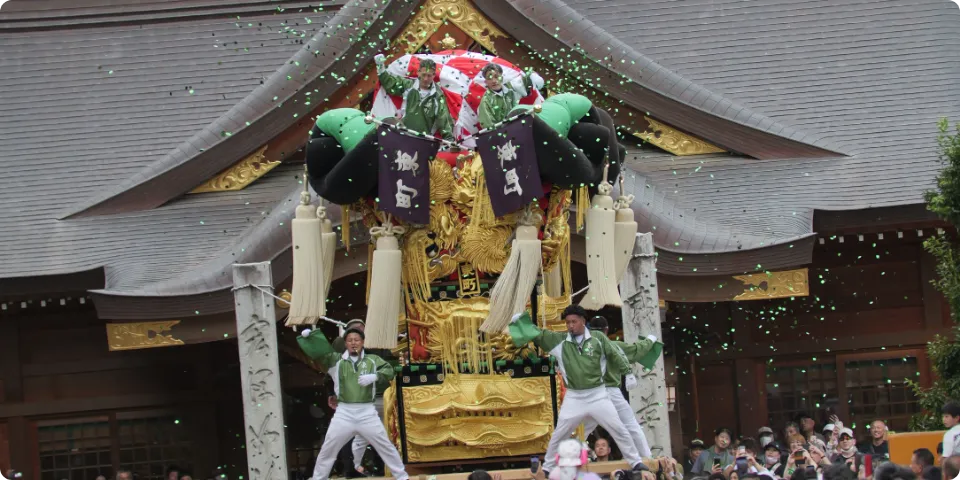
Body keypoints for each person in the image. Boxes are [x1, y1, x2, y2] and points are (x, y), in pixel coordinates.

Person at [507, 307, 649, 475]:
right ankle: (547, 467)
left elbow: (614, 354)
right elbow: (538, 334)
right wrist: (522, 322)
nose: (570, 325)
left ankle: (636, 461)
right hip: (574, 397)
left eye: (574, 322)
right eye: (567, 322)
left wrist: (628, 372)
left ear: (583, 321)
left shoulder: (598, 338)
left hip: (598, 395)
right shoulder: (559, 341)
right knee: (560, 433)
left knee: (618, 428)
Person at [297, 326, 408, 480]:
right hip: (344, 413)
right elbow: (322, 353)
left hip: (367, 412)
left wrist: (375, 376)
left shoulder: (373, 360)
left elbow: (389, 370)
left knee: (385, 445)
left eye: (357, 340)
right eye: (350, 340)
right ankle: (318, 478)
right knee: (329, 447)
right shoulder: (336, 361)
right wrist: (311, 337)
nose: (353, 343)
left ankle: (401, 476)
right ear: (345, 343)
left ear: (362, 342)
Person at [581, 315, 663, 458]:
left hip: (592, 393)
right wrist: (650, 340)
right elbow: (637, 350)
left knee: (584, 428)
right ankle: (647, 458)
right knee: (631, 425)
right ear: (606, 330)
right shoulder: (615, 346)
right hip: (611, 392)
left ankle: (571, 458)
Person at [374, 54, 455, 141]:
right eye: (423, 75)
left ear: (434, 75)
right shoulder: (408, 86)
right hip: (402, 135)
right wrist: (380, 66)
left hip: (422, 142)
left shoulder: (438, 97)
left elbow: (445, 121)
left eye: (429, 75)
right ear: (418, 72)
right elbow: (390, 84)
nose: (425, 79)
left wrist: (450, 141)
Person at [477, 63, 544, 129]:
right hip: (505, 134)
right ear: (486, 82)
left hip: (521, 124)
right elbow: (489, 127)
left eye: (496, 76)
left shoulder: (511, 87)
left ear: (502, 77)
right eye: (489, 78)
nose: (494, 81)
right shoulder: (485, 102)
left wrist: (533, 76)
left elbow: (527, 81)